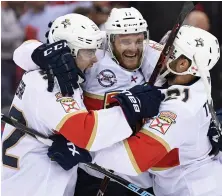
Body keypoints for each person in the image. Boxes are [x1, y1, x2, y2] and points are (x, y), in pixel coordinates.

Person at [46, 25, 222, 196]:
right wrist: (62, 42)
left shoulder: (180, 110)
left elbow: (133, 159)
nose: (159, 53)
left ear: (182, 64)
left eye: (167, 52)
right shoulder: (190, 75)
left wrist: (84, 152)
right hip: (179, 184)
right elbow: (126, 40)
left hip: (193, 190)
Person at [2, 13, 163, 196]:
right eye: (88, 52)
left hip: (38, 180)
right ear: (67, 51)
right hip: (33, 185)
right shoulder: (51, 85)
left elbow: (26, 51)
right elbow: (87, 133)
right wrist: (129, 108)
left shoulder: (58, 75)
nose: (95, 59)